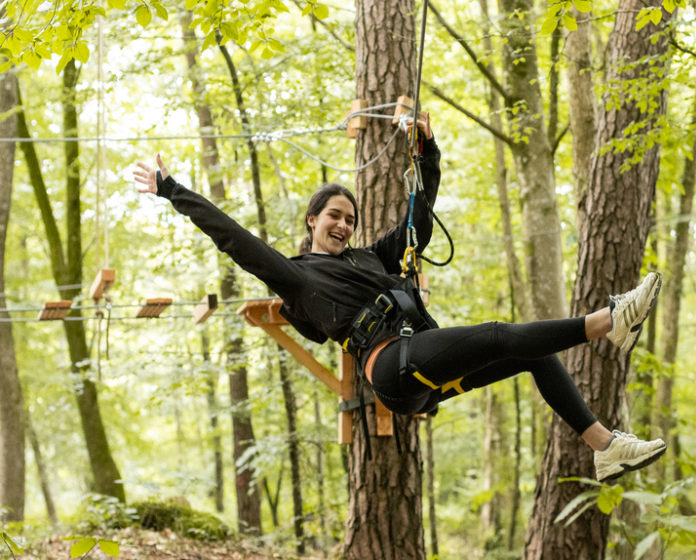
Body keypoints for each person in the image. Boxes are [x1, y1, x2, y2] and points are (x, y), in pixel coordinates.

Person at [133, 119, 666, 482]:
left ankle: (604, 448)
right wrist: (170, 187)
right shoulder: (296, 277)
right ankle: (609, 321)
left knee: (533, 353)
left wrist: (426, 153)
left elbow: (419, 220)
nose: (342, 225)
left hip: (419, 366)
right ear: (312, 222)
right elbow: (232, 236)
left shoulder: (372, 259)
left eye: (349, 218)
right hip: (389, 367)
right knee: (502, 333)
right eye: (333, 216)